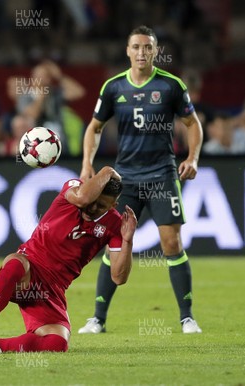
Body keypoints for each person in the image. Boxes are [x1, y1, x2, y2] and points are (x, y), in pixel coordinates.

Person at [78, 25, 204, 335]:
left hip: (162, 174)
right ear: (127, 50)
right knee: (115, 247)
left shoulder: (171, 86)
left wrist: (192, 157)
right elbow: (94, 127)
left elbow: (192, 123)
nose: (141, 53)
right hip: (126, 178)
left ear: (155, 51)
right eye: (136, 47)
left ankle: (187, 317)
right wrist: (86, 165)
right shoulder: (113, 88)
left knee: (171, 242)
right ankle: (98, 319)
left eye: (147, 47)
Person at [0, 167, 137, 354]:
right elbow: (83, 197)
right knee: (15, 264)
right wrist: (108, 171)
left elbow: (119, 277)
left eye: (101, 206)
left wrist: (128, 240)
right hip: (30, 267)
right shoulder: (73, 189)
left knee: (57, 342)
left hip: (52, 289)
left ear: (113, 206)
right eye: (94, 200)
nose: (92, 207)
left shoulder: (114, 224)